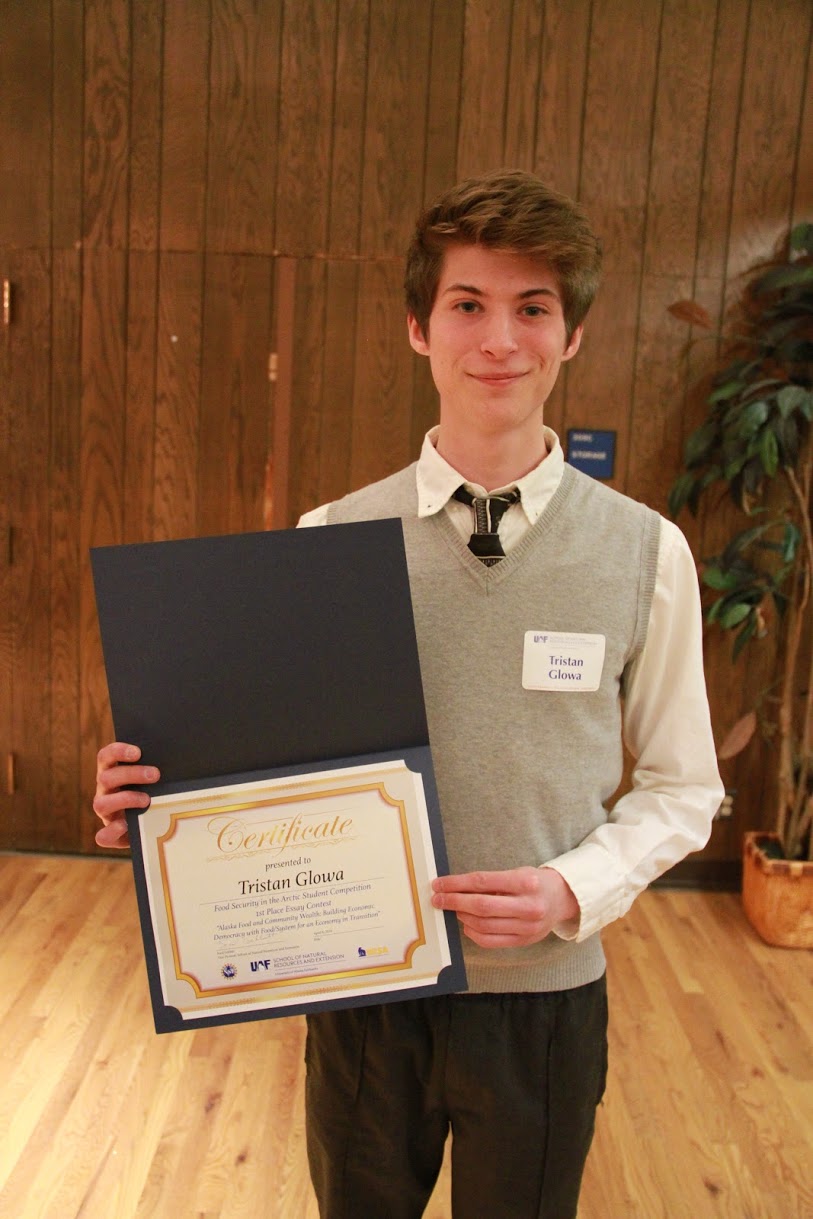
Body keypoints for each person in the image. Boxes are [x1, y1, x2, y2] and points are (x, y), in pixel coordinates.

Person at [94, 170, 723, 1219]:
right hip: (364, 992)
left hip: (543, 1000)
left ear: (572, 336)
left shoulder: (646, 552)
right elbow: (262, 769)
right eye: (467, 304)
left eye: (533, 309)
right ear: (418, 329)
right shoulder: (330, 538)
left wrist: (573, 887)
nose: (499, 340)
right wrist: (156, 797)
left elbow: (681, 787)